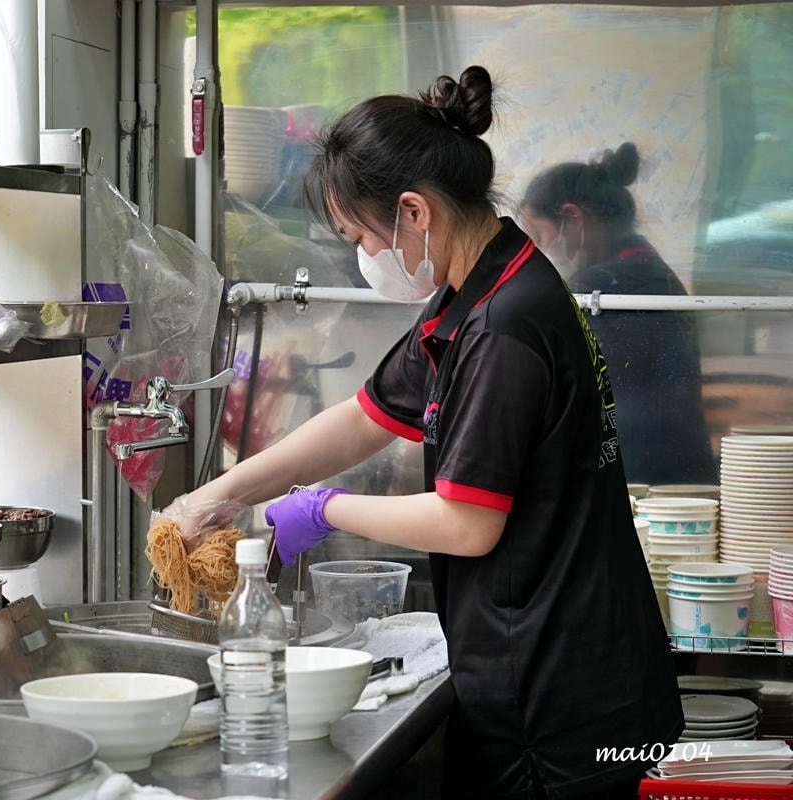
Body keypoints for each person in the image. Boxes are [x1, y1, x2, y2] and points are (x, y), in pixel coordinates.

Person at [164, 66, 682, 799]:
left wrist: (321, 509)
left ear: (412, 211)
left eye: (358, 236)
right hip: (545, 668)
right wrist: (217, 495)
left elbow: (466, 523)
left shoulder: (503, 325)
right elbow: (363, 419)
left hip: (561, 698)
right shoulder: (478, 293)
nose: (361, 256)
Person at [519, 144, 718, 486]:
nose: (536, 249)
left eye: (538, 235)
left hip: (634, 478)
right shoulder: (656, 272)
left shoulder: (596, 287)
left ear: (572, 217)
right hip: (682, 471)